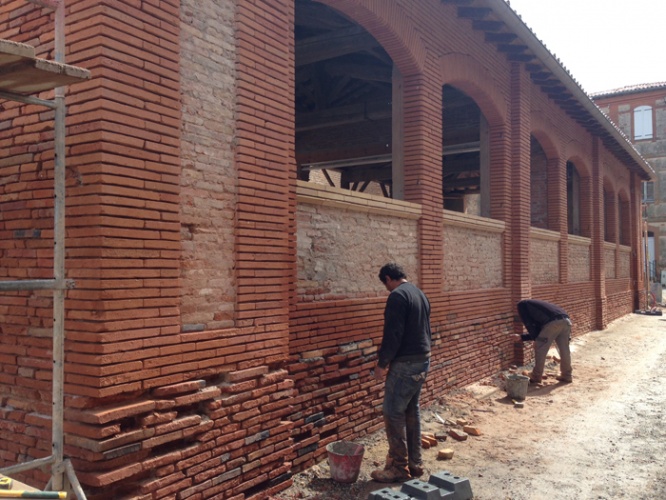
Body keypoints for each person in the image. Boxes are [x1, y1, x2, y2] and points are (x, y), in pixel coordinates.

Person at [371, 263, 432, 483]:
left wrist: (382, 363)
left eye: (385, 284)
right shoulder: (419, 293)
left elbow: (393, 334)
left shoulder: (397, 296)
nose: (387, 288)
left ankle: (399, 467)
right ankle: (415, 464)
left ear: (388, 279)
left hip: (405, 363)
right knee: (411, 410)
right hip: (422, 359)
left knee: (392, 411)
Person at [515, 299, 573, 384]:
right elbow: (540, 330)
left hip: (553, 323)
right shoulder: (537, 307)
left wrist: (536, 340)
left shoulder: (521, 306)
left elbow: (530, 324)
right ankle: (567, 375)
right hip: (566, 321)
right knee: (564, 349)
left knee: (540, 348)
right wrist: (522, 337)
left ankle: (536, 376)